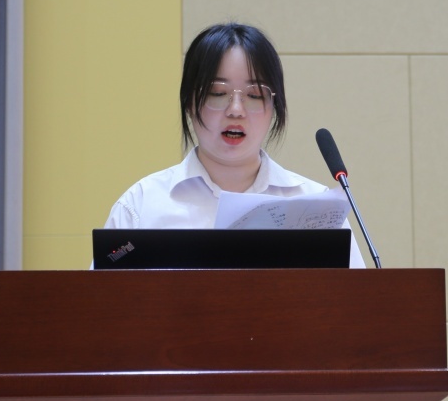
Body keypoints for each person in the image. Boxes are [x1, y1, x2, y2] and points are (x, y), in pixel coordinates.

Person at [102, 22, 366, 268]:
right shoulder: (141, 205)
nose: (236, 110)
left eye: (255, 95)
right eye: (217, 93)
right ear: (189, 102)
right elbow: (101, 297)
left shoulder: (317, 208)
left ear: (274, 106)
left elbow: (355, 298)